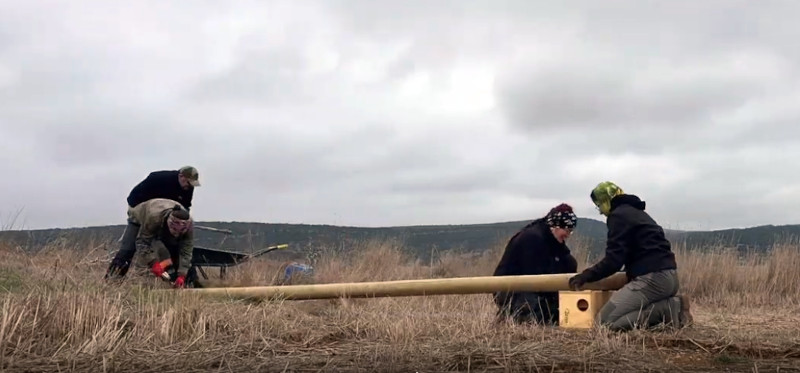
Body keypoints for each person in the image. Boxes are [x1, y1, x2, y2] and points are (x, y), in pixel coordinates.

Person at [568, 181, 693, 331]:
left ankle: (668, 309)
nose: (600, 211)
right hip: (669, 277)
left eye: (599, 205)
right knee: (621, 316)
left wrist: (585, 276)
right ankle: (669, 307)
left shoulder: (618, 216)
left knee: (603, 325)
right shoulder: (637, 213)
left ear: (607, 200)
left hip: (651, 280)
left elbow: (613, 261)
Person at [105, 166, 200, 279]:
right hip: (143, 213)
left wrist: (181, 224)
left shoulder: (188, 187)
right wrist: (153, 263)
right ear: (181, 176)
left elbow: (185, 206)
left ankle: (187, 281)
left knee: (178, 246)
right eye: (188, 182)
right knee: (129, 247)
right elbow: (133, 200)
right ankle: (112, 279)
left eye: (192, 184)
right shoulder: (158, 179)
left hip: (169, 217)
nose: (189, 186)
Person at [492, 203, 579, 325]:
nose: (568, 235)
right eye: (567, 230)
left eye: (571, 231)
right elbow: (534, 276)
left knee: (570, 262)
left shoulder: (552, 239)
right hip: (511, 288)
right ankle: (515, 316)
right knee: (537, 311)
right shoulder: (532, 239)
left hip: (534, 286)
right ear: (556, 226)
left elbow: (565, 260)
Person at [125, 198, 195, 288]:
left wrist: (182, 274)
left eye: (179, 232)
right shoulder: (154, 217)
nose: (176, 234)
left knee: (175, 251)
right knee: (127, 250)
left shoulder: (189, 226)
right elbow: (142, 242)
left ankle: (179, 283)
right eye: (174, 231)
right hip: (139, 217)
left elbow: (186, 251)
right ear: (169, 224)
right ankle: (114, 280)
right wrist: (153, 263)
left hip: (161, 220)